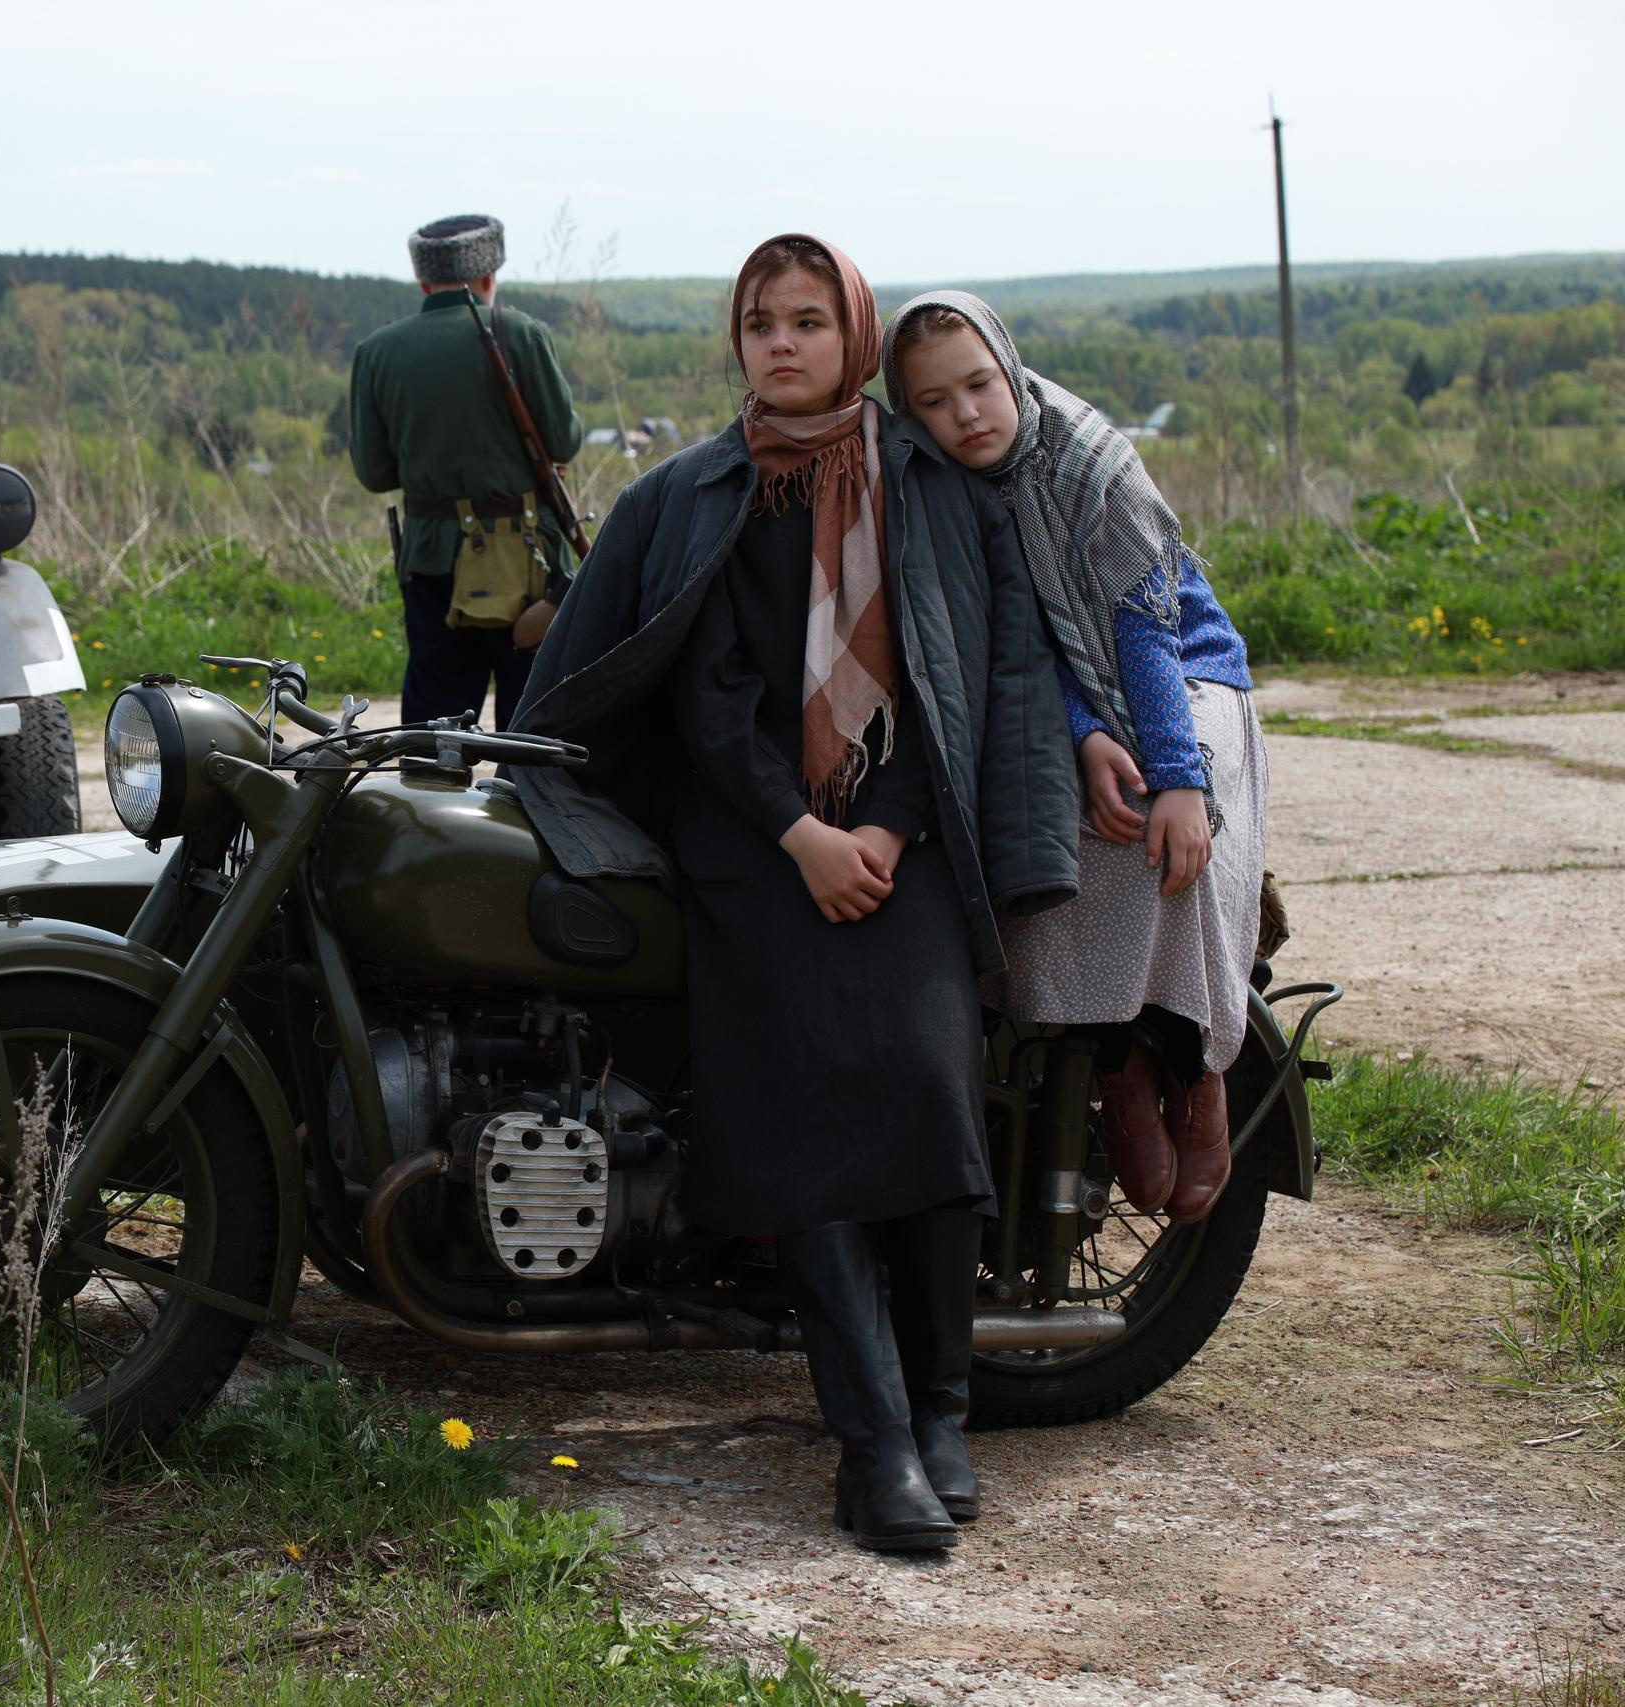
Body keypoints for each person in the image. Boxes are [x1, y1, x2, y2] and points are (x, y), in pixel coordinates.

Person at [513, 235, 1078, 1551]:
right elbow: (701, 694)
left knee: (937, 1098)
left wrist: (881, 826)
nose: (782, 341)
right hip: (749, 847)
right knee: (804, 1107)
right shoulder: (700, 492)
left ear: (855, 336)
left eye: (811, 319)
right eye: (761, 319)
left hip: (910, 837)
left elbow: (969, 681)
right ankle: (872, 1441)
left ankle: (944, 1410)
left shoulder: (934, 485)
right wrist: (800, 834)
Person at [882, 292, 1264, 1223]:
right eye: (934, 401)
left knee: (1167, 828)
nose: (966, 413)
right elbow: (1008, 634)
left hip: (1184, 674)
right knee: (1056, 826)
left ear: (1009, 370)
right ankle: (1118, 1056)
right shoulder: (935, 486)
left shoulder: (1093, 464)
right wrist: (1079, 733)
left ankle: (1200, 1061)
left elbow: (1144, 630)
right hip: (1057, 698)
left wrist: (1178, 776)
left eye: (979, 385)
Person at [349, 214, 584, 728]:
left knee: (434, 733)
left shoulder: (377, 351)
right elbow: (565, 441)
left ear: (424, 282)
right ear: (487, 278)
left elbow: (374, 471)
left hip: (432, 560)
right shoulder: (521, 334)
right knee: (533, 731)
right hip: (530, 561)